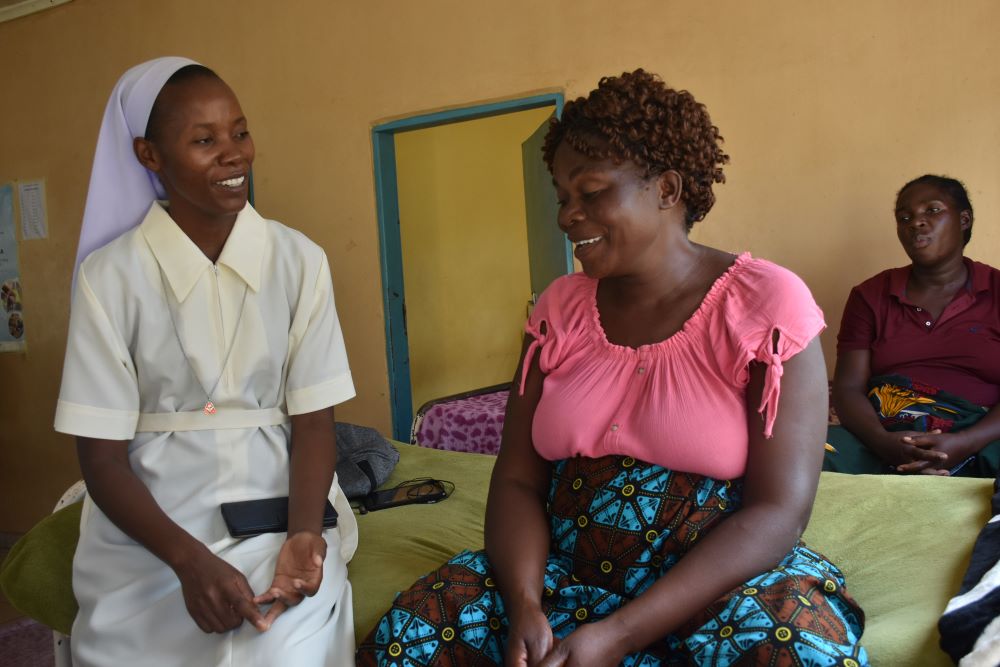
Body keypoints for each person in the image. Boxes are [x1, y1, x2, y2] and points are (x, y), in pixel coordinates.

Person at [357, 69, 867, 666]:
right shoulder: (558, 310)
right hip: (563, 574)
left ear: (668, 189)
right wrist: (524, 604)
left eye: (591, 191)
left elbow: (780, 510)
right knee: (416, 631)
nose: (566, 216)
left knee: (797, 650)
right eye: (562, 196)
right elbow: (519, 478)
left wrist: (622, 633)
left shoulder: (764, 305)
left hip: (713, 584)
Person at [54, 57, 357, 666]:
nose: (234, 154)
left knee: (281, 652)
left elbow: (314, 423)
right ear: (149, 156)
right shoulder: (109, 278)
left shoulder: (299, 261)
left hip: (275, 512)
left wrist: (303, 536)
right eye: (203, 140)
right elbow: (102, 457)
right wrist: (189, 561)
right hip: (152, 535)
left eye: (240, 133)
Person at [825, 175, 1000, 477]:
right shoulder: (870, 295)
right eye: (904, 217)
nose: (915, 222)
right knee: (809, 453)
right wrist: (884, 443)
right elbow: (848, 388)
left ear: (964, 219)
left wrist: (964, 443)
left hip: (978, 435)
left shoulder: (997, 290)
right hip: (884, 434)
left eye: (932, 210)